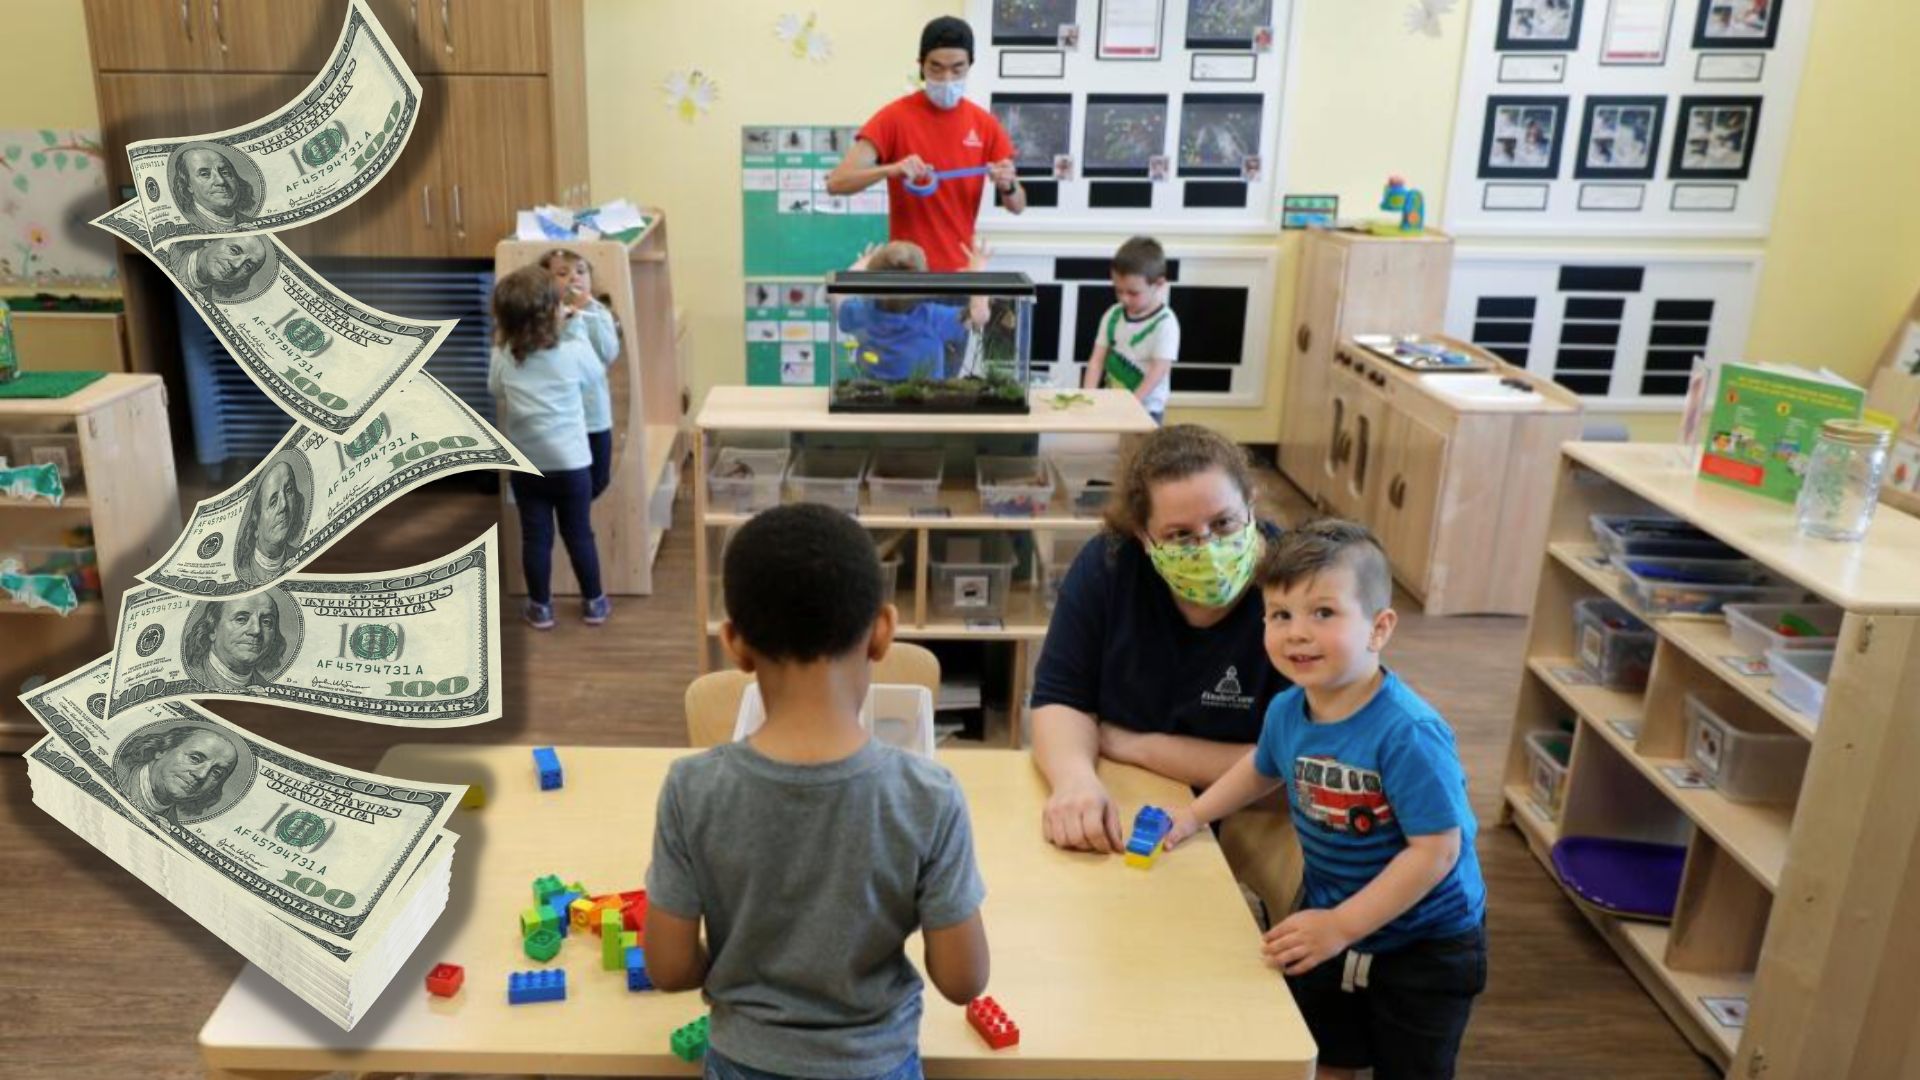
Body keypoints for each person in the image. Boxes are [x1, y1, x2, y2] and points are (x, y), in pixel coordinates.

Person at [645, 504, 990, 1080]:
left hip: (742, 1061)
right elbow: (963, 980)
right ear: (882, 631)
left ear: (734, 643)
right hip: (877, 1064)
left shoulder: (692, 789)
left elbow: (668, 966)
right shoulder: (929, 795)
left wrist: (734, 974)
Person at [1163, 520, 1487, 1080]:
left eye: (1323, 613)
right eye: (1280, 615)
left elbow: (1436, 852)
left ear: (1379, 628)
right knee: (1323, 1055)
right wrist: (1194, 815)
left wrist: (1341, 926)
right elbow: (1259, 770)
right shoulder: (1288, 709)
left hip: (1425, 944)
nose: (1297, 634)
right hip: (1327, 915)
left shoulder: (1408, 733)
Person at [1029, 424, 1296, 919]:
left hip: (1247, 825)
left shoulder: (1300, 587)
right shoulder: (1109, 565)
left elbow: (1301, 766)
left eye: (1224, 523)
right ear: (1143, 536)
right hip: (1132, 811)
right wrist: (1074, 781)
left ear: (1251, 504)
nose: (1207, 547)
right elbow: (1060, 698)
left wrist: (1138, 745)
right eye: (1180, 536)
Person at [826, 16, 1025, 272]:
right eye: (936, 68)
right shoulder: (894, 118)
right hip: (906, 272)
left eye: (957, 69)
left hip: (960, 273)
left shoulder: (985, 124)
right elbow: (836, 183)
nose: (947, 78)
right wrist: (891, 169)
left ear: (969, 66)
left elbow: (1017, 206)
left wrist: (1009, 186)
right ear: (921, 66)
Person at [487, 264, 611, 629]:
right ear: (553, 313)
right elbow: (595, 374)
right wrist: (575, 328)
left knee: (536, 537)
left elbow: (496, 390)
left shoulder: (503, 355)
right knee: (579, 534)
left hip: (528, 466)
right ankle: (594, 603)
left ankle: (540, 607)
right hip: (572, 465)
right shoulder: (572, 352)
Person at [837, 239, 991, 381]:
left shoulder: (862, 314)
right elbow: (979, 316)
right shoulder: (933, 318)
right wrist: (977, 271)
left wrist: (864, 263)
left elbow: (836, 293)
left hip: (873, 399)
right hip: (924, 400)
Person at [540, 249, 622, 499]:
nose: (574, 277)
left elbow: (607, 354)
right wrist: (565, 320)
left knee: (599, 480)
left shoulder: (600, 312)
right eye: (562, 273)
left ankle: (577, 512)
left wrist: (589, 311)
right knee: (566, 479)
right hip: (560, 417)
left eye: (581, 271)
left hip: (594, 416)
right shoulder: (545, 315)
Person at [1081, 236, 1181, 424]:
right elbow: (1096, 361)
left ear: (1159, 284)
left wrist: (1131, 404)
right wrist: (1089, 398)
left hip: (1146, 410)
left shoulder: (1166, 323)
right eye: (1118, 291)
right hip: (1112, 406)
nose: (1124, 299)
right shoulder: (1113, 314)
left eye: (1133, 293)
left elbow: (1159, 370)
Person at [111, 724, 241, 826]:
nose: (201, 775)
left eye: (216, 773)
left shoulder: (171, 828)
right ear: (162, 750)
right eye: (195, 758)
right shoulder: (112, 772)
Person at [182, 593, 290, 693]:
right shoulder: (189, 679)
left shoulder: (269, 690)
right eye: (241, 619)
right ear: (212, 628)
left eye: (266, 622)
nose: (256, 630)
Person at [234, 456, 309, 586]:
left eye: (288, 490)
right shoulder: (242, 570)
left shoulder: (304, 558)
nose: (284, 504)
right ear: (256, 521)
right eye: (273, 501)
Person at [170, 144, 259, 231]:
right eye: (205, 174)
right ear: (188, 184)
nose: (221, 181)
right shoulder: (187, 225)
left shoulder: (253, 223)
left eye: (225, 173)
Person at [166, 235, 273, 302]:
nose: (236, 265)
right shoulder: (167, 252)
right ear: (211, 240)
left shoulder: (204, 306)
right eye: (234, 250)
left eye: (248, 266)